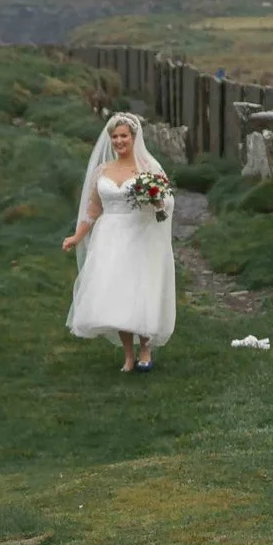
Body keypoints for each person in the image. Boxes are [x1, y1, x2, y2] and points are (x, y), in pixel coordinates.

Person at [61, 113, 178, 371]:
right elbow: (93, 208)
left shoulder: (148, 167)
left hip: (139, 234)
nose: (118, 141)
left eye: (123, 135)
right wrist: (77, 236)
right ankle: (128, 354)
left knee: (139, 289)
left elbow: (167, 201)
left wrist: (156, 200)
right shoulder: (103, 171)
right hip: (110, 237)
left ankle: (145, 348)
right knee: (117, 293)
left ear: (133, 138)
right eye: (114, 136)